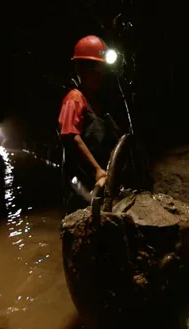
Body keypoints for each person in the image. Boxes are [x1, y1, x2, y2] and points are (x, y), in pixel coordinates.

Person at [58, 35, 120, 213]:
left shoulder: (97, 102)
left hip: (99, 181)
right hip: (81, 185)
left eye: (101, 70)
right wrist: (97, 170)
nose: (98, 75)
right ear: (79, 68)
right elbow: (70, 136)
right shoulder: (74, 99)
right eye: (93, 69)